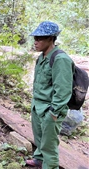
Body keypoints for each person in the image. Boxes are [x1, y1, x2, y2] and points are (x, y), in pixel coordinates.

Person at [26, 21, 74, 169]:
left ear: (51, 39)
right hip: (38, 106)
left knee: (49, 146)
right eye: (35, 38)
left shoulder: (60, 59)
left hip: (50, 109)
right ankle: (39, 160)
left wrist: (54, 112)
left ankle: (50, 166)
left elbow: (63, 90)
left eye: (40, 38)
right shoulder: (41, 57)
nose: (36, 41)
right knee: (40, 139)